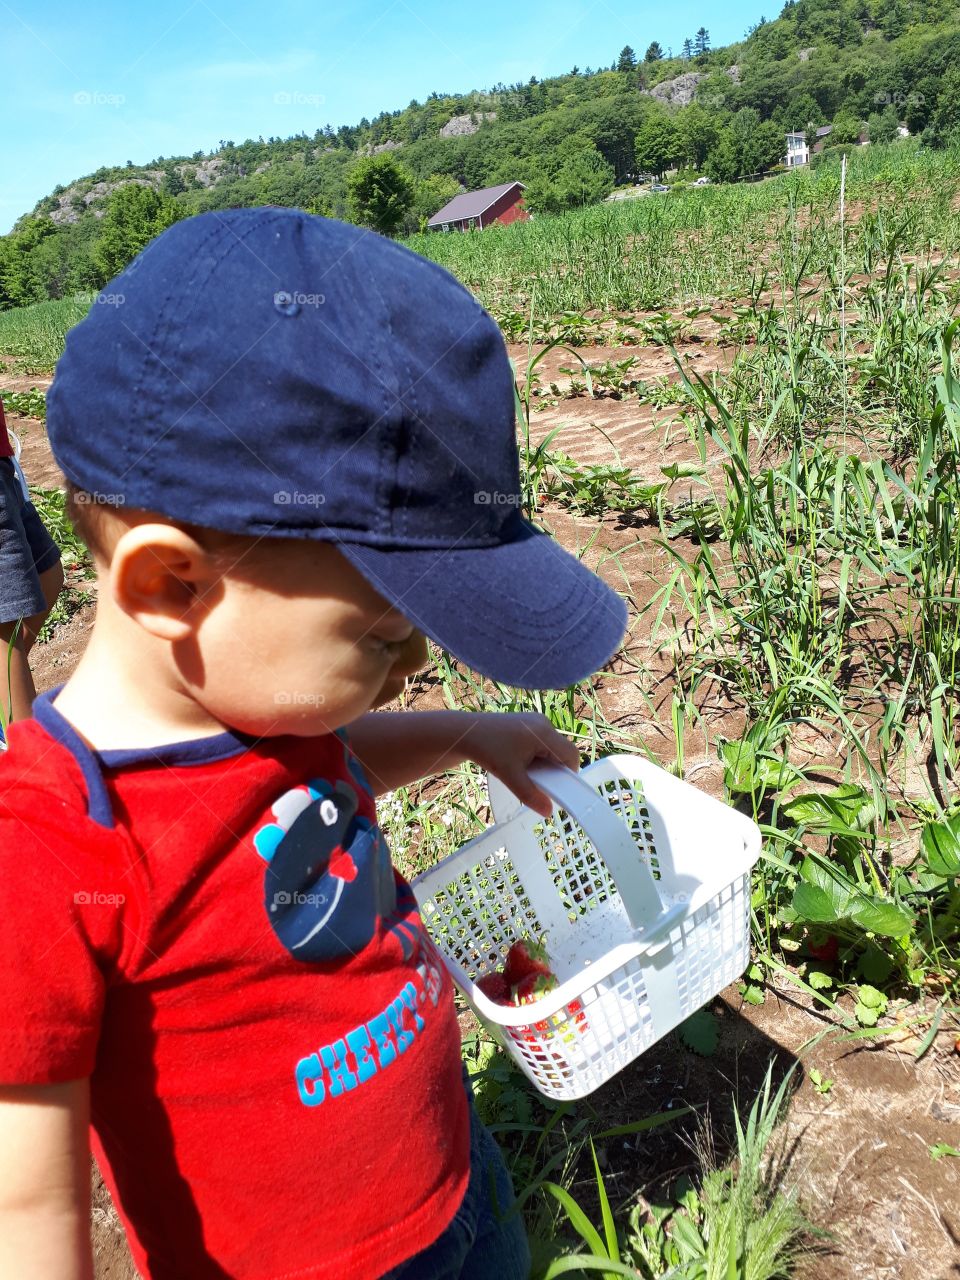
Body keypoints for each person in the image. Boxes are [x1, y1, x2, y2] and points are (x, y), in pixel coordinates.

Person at [0, 208, 627, 1280]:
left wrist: (470, 734)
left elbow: (323, 775)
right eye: (384, 635)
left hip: (456, 1182)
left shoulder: (260, 709)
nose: (417, 661)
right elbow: (29, 1204)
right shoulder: (52, 845)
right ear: (170, 585)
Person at [0, 399, 64, 743]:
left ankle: (6, 696)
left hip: (4, 467)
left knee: (49, 576)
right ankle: (31, 775)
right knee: (6, 634)